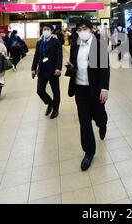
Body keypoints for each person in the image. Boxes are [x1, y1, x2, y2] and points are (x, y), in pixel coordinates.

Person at [67, 19, 110, 171]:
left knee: (98, 115)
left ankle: (102, 123)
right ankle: (89, 152)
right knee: (84, 121)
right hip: (80, 89)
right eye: (79, 28)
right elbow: (74, 64)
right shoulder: (75, 45)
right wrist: (71, 67)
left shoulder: (100, 45)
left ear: (91, 29)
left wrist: (104, 88)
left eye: (85, 28)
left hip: (96, 88)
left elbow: (105, 68)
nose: (82, 31)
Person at [32, 24, 63, 120]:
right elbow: (36, 56)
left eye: (47, 29)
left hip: (53, 70)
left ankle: (56, 109)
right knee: (40, 90)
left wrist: (58, 68)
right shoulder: (40, 42)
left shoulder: (56, 42)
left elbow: (59, 56)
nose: (45, 31)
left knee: (55, 91)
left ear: (51, 31)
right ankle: (50, 103)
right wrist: (33, 69)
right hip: (42, 70)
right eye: (44, 29)